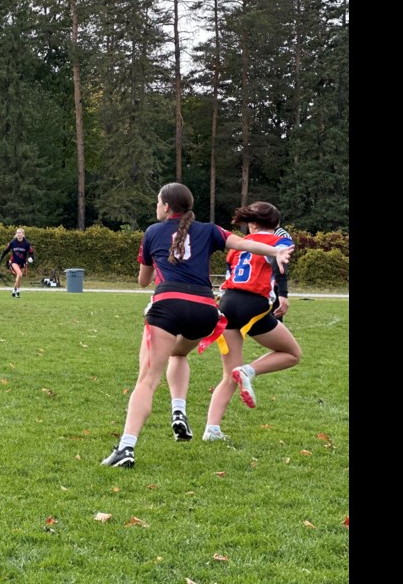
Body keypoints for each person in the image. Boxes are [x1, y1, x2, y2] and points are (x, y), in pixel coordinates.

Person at [101, 183, 293, 469]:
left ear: (166, 207)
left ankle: (126, 447)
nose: (156, 206)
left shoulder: (153, 232)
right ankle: (179, 409)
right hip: (206, 312)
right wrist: (275, 251)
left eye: (157, 202)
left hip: (169, 305)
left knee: (147, 380)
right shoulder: (209, 230)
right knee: (178, 354)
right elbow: (243, 244)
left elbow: (143, 281)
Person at [202, 202, 302, 442]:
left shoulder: (236, 246)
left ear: (252, 223)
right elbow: (282, 261)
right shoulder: (279, 242)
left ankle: (211, 430)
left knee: (228, 375)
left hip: (227, 305)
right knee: (292, 354)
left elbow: (230, 275)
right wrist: (283, 292)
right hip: (252, 304)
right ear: (275, 225)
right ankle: (248, 370)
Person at [0, 228, 34, 298]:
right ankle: (17, 292)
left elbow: (31, 253)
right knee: (19, 274)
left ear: (23, 234)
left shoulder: (27, 243)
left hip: (22, 263)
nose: (18, 234)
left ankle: (15, 291)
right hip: (14, 262)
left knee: (19, 278)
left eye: (20, 233)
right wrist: (0, 258)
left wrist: (31, 258)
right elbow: (5, 251)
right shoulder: (13, 242)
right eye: (17, 233)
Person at [271, 225, 293, 321]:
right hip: (257, 284)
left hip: (273, 283)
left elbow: (280, 263)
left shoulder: (282, 235)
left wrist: (282, 291)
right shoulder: (256, 235)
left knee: (274, 320)